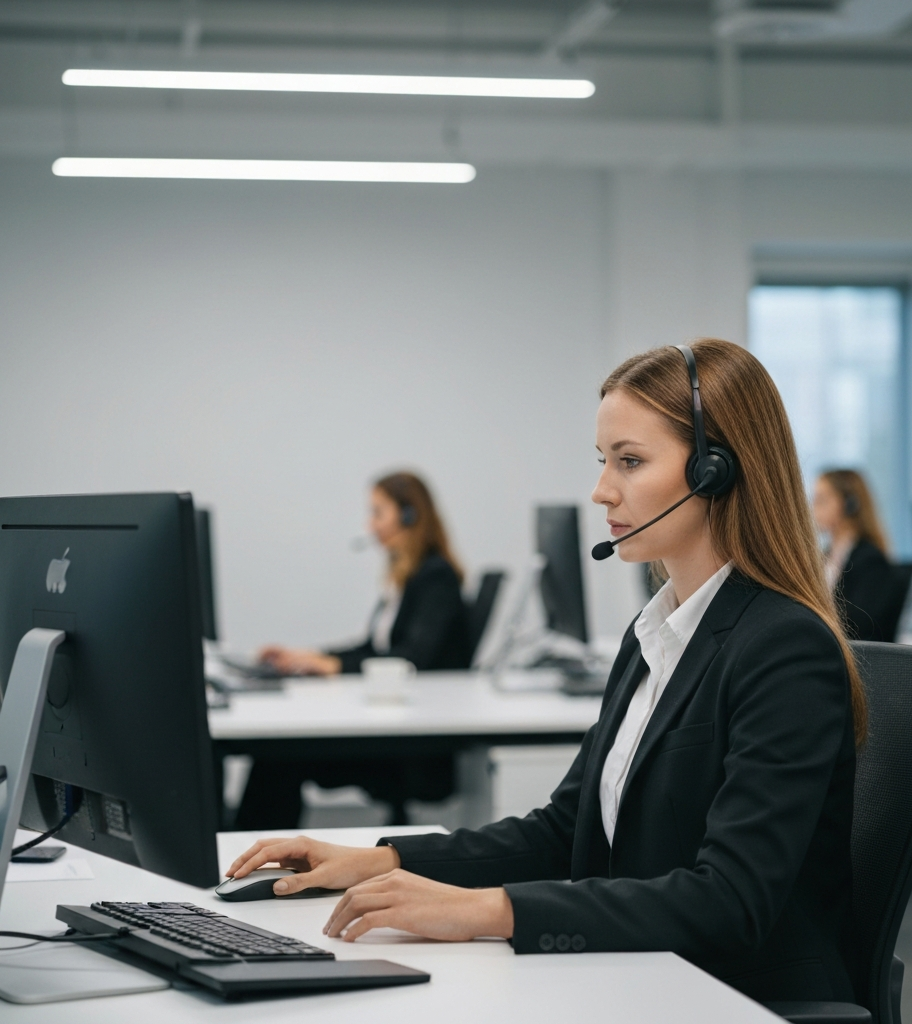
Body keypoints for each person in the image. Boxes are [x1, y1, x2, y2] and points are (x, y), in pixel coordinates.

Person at [228, 340, 867, 1007]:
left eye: (630, 461)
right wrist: (383, 859)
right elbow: (565, 831)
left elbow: (729, 901)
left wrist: (481, 911)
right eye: (604, 462)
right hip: (644, 973)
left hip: (736, 998)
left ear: (715, 472)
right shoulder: (657, 632)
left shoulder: (784, 648)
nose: (601, 490)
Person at [234, 471, 471, 829]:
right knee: (276, 753)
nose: (370, 524)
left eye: (378, 513)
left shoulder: (435, 576)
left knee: (278, 756)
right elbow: (374, 646)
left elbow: (410, 658)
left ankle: (250, 857)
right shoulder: (405, 576)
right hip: (395, 727)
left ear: (409, 515)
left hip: (412, 747)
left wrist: (331, 667)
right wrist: (311, 658)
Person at [813, 469, 899, 642]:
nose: (813, 508)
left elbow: (861, 626)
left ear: (849, 505)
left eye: (821, 500)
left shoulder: (869, 560)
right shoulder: (825, 556)